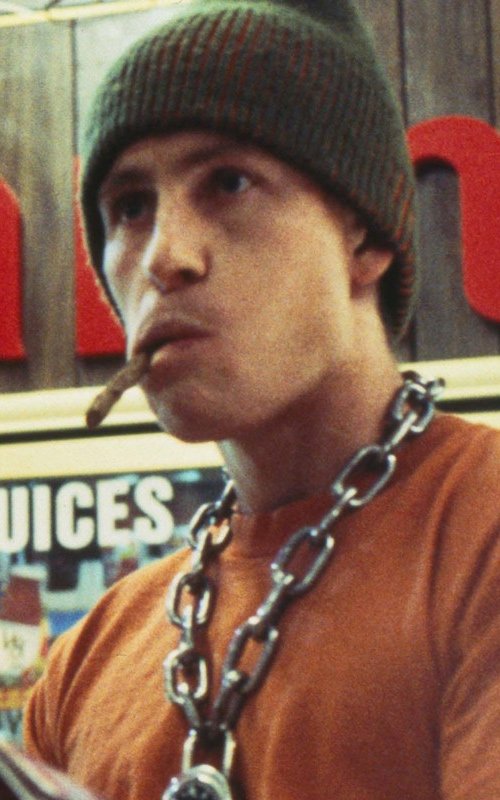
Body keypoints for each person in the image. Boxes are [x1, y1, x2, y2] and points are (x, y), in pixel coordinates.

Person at [24, 0, 500, 798]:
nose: (165, 256)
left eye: (229, 182)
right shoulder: (86, 663)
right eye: (130, 207)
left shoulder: (478, 534)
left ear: (365, 234)